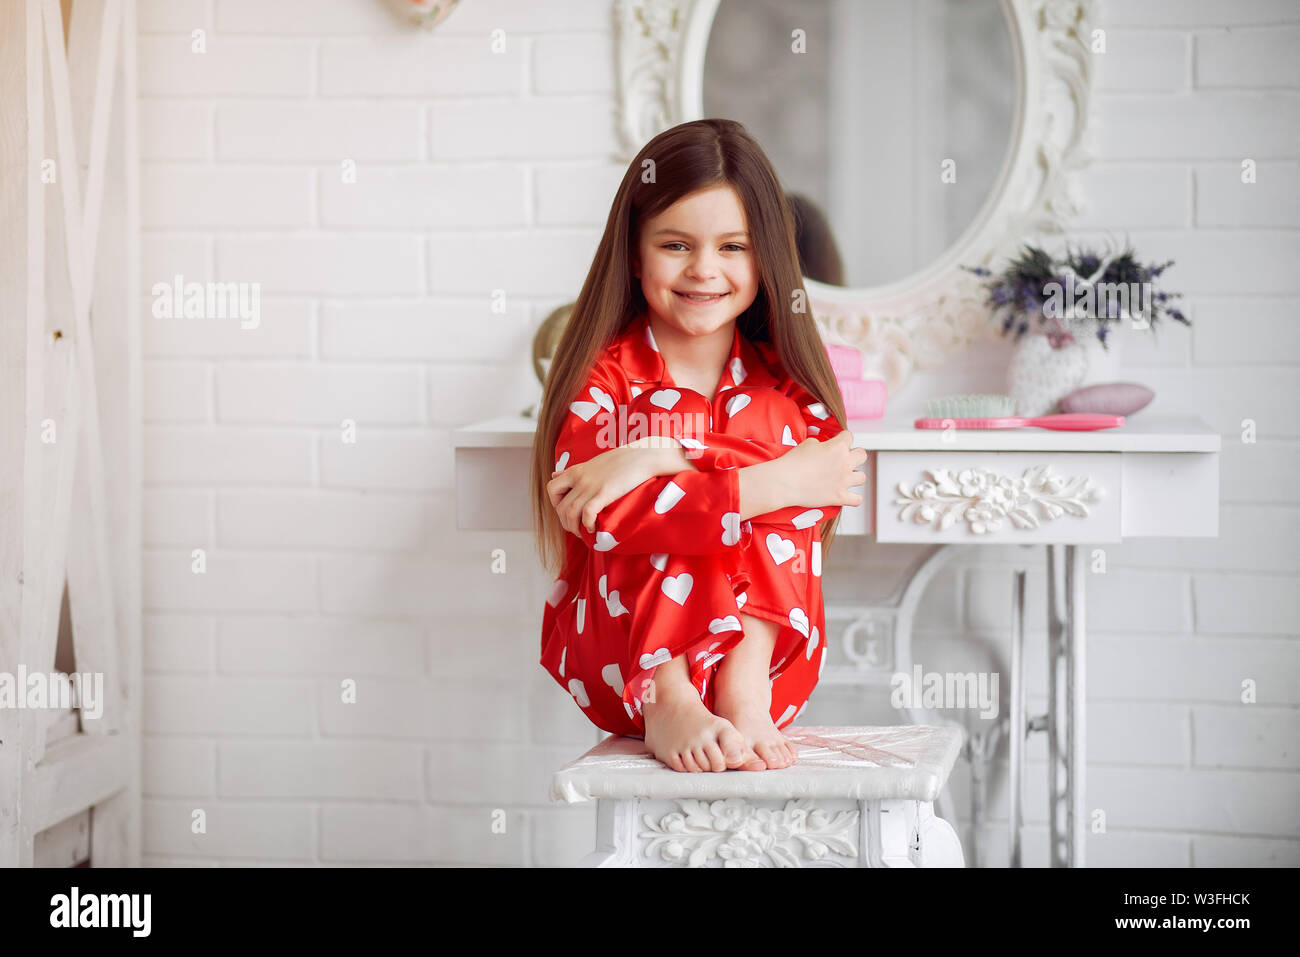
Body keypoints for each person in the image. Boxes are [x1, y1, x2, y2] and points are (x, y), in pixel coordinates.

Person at [530, 118, 867, 773]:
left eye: (733, 247)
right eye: (676, 244)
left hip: (768, 667)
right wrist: (763, 478)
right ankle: (670, 691)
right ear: (633, 252)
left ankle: (743, 686)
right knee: (696, 479)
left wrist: (658, 456)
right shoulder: (606, 376)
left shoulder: (782, 382)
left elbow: (824, 477)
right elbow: (597, 513)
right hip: (624, 664)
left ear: (765, 256)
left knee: (769, 432)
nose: (704, 270)